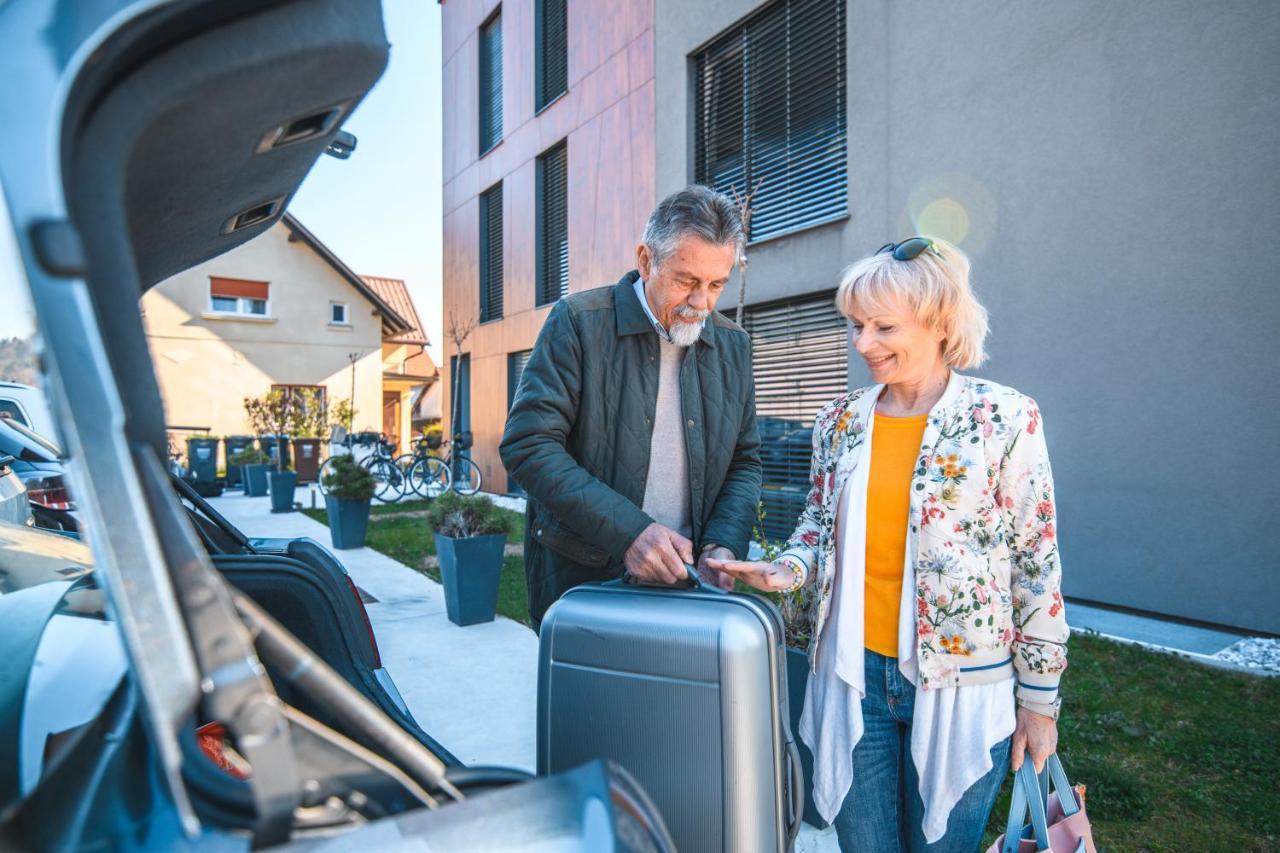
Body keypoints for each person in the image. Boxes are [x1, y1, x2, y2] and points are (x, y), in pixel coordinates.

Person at [710, 237, 1069, 852]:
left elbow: (1036, 565)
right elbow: (815, 528)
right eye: (856, 325)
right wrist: (786, 570)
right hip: (852, 679)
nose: (862, 344)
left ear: (937, 322)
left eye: (882, 327)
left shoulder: (1004, 418)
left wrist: (1039, 700)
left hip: (963, 686)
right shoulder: (839, 420)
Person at [500, 185, 762, 631]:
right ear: (645, 260)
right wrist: (629, 534)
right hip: (584, 584)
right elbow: (528, 445)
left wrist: (723, 543)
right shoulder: (578, 322)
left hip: (691, 589)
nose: (702, 302)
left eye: (716, 284)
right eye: (686, 281)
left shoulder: (733, 345)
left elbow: (744, 459)